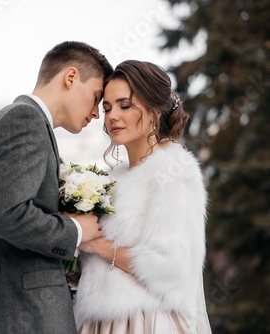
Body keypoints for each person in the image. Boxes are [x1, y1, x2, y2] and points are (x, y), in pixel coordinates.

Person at [0, 41, 114, 334]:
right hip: (25, 320)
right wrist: (77, 231)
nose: (96, 114)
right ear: (70, 78)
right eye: (96, 97)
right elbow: (8, 216)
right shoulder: (25, 119)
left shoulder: (4, 124)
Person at [74, 60, 212, 333]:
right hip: (98, 322)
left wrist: (95, 245)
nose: (112, 116)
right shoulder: (110, 182)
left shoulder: (173, 172)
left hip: (146, 321)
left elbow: (172, 267)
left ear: (154, 111)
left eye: (125, 105)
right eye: (107, 107)